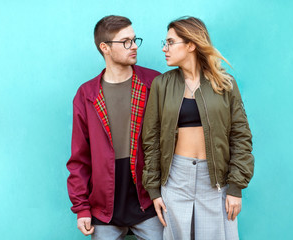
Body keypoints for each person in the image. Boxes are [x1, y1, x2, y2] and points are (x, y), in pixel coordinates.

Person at [142, 16, 254, 240]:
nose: (165, 48)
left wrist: (235, 188)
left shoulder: (225, 84)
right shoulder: (161, 85)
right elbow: (151, 141)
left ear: (191, 44)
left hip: (215, 181)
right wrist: (154, 190)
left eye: (171, 42)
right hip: (175, 179)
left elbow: (241, 136)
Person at [66, 15, 163, 239]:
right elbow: (79, 158)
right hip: (103, 208)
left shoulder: (154, 83)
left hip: (148, 201)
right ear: (105, 47)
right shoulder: (87, 95)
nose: (133, 47)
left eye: (134, 39)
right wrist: (81, 207)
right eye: (125, 41)